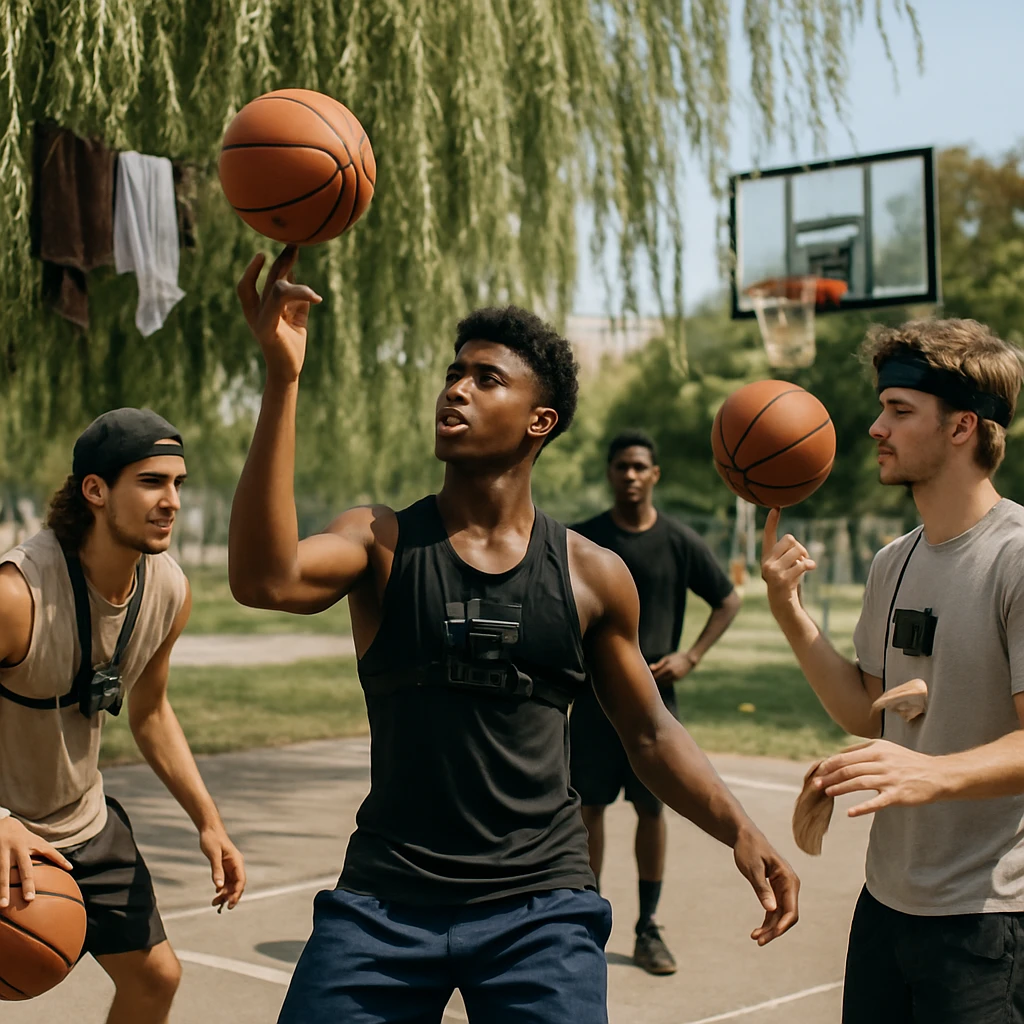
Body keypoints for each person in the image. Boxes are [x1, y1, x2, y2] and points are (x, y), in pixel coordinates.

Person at [229, 246, 799, 1024]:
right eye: (454, 373)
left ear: (540, 421)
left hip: (540, 907)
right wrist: (281, 377)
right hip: (386, 901)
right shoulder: (380, 541)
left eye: (486, 378)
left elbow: (649, 733)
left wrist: (740, 828)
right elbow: (262, 580)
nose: (456, 389)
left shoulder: (593, 576)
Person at [761, 318, 1024, 1023]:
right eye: (882, 408)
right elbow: (864, 710)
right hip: (886, 905)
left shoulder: (1015, 558)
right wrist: (789, 610)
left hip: (988, 918)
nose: (877, 427)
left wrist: (930, 772)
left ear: (962, 426)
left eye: (899, 410)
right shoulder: (894, 562)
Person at [0, 408, 246, 1022]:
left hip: (84, 820)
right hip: (5, 829)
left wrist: (209, 821)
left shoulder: (169, 591)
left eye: (178, 484)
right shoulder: (17, 594)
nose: (172, 502)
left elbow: (151, 713)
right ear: (96, 490)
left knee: (155, 979)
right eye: (151, 482)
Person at [570, 429, 741, 974]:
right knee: (588, 809)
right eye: (621, 466)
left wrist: (691, 655)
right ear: (609, 473)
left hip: (654, 703)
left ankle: (647, 927)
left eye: (640, 466)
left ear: (655, 474)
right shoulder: (584, 539)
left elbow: (727, 599)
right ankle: (585, 922)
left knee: (651, 810)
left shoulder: (678, 540)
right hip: (593, 700)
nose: (630, 475)